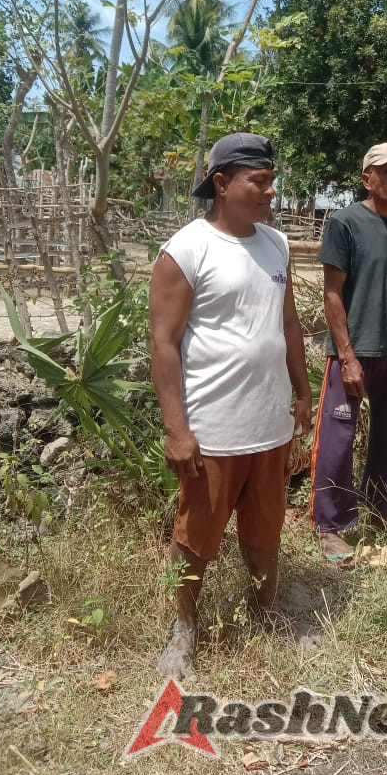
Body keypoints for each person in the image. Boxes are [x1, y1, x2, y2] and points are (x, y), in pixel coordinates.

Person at [149, 132, 312, 679]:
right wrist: (177, 429)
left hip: (270, 420)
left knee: (267, 526)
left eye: (271, 181)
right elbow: (164, 344)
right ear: (222, 184)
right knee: (196, 535)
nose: (270, 192)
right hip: (213, 426)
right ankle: (183, 629)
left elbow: (286, 322)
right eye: (258, 182)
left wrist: (303, 390)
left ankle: (267, 610)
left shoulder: (276, 244)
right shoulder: (186, 250)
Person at [310, 142, 387, 567]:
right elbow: (332, 293)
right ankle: (330, 526)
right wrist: (346, 355)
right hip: (354, 350)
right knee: (337, 438)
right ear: (367, 179)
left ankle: (381, 509)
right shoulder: (345, 223)